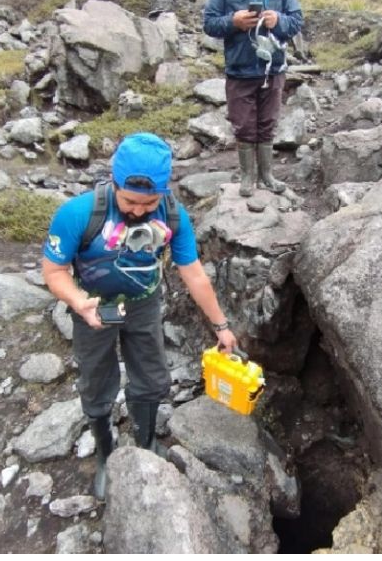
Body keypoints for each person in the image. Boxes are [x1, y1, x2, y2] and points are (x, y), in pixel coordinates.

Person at [40, 133, 237, 500]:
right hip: (98, 307)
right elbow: (53, 271)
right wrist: (80, 302)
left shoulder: (173, 215)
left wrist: (221, 326)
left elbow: (192, 271)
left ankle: (146, 443)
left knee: (150, 375)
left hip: (143, 304)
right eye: (130, 201)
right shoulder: (79, 213)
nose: (137, 210)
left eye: (148, 203)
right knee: (96, 376)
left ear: (163, 192)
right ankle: (104, 454)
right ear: (114, 183)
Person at [202, 0, 304, 197]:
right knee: (243, 125)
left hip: (274, 68)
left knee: (267, 123)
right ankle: (248, 177)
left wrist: (278, 20)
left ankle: (267, 175)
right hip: (239, 69)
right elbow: (209, 23)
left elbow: (297, 20)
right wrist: (234, 21)